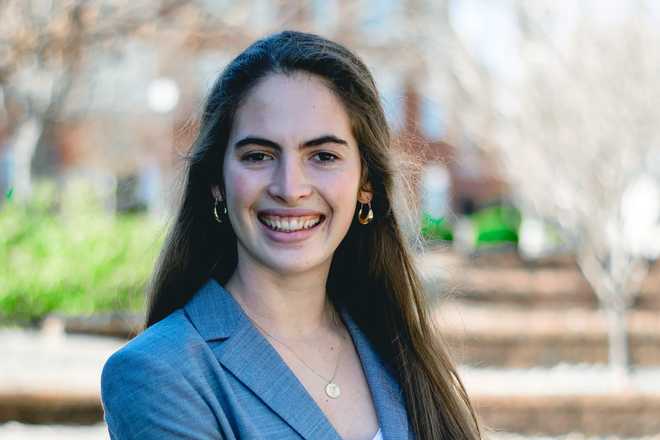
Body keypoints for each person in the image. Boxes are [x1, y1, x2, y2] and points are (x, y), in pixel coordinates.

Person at [101, 31, 482, 440]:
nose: (290, 187)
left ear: (365, 184)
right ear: (217, 181)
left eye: (323, 156)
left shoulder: (398, 351)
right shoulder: (160, 372)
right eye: (259, 156)